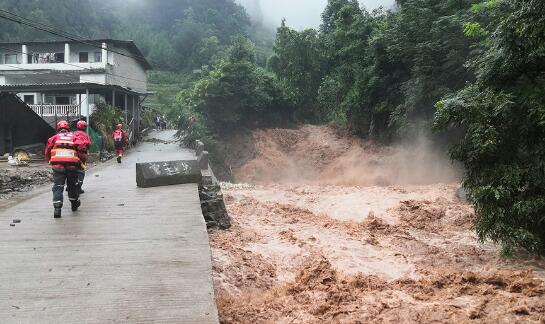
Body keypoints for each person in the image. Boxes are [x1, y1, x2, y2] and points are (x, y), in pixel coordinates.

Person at [45, 120, 86, 218]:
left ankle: (57, 208)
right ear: (68, 129)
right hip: (72, 166)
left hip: (58, 166)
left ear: (58, 129)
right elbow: (82, 147)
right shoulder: (74, 137)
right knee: (72, 185)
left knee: (58, 186)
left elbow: (47, 150)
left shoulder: (54, 138)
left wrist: (49, 160)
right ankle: (74, 204)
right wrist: (82, 159)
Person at [74, 120, 92, 194]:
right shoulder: (85, 135)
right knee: (81, 170)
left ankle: (70, 186)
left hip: (72, 154)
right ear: (84, 127)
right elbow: (89, 145)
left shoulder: (73, 133)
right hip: (81, 155)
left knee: (71, 169)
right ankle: (79, 187)